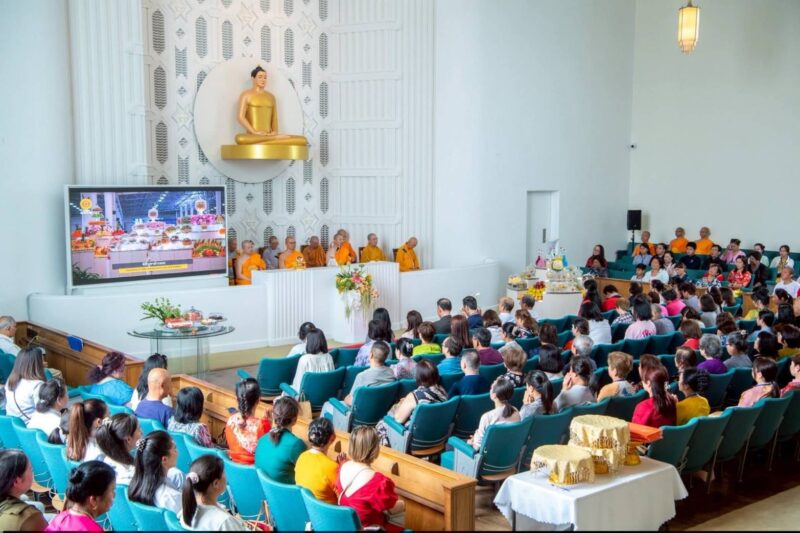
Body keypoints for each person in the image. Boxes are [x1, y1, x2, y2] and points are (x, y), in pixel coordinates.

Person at [337, 426, 404, 531]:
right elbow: (390, 507)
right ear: (375, 450)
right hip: (370, 529)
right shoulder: (378, 482)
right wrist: (402, 505)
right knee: (401, 506)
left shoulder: (342, 467)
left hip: (345, 527)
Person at [376, 360, 447, 445]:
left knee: (382, 423)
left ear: (418, 377)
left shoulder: (415, 396)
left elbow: (398, 419)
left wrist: (401, 405)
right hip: (435, 438)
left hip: (413, 441)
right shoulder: (443, 393)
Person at [181, 455, 248, 531]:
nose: (226, 476)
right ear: (216, 483)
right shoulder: (223, 521)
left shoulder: (186, 511)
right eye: (223, 472)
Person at [45, 461, 116, 532]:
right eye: (112, 490)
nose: (114, 495)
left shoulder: (60, 518)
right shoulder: (92, 529)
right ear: (93, 500)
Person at [254, 396, 306, 484]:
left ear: (274, 416)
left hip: (262, 489)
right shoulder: (296, 444)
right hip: (286, 491)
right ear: (295, 420)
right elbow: (306, 473)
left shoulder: (262, 439)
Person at [128, 431, 181, 514]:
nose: (177, 452)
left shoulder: (136, 485)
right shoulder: (172, 498)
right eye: (175, 448)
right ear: (164, 459)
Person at [295, 417, 342, 504]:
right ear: (333, 438)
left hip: (305, 508)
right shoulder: (332, 467)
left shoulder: (301, 457)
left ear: (309, 435)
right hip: (327, 511)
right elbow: (342, 499)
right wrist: (342, 467)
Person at [0, 449, 49, 531]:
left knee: (39, 505)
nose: (33, 472)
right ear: (17, 481)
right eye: (31, 469)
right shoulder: (29, 517)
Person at [226, 378, 271, 465]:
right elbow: (267, 453)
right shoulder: (262, 425)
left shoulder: (231, 421)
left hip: (232, 470)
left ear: (238, 399)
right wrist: (269, 424)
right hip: (254, 471)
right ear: (258, 400)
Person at [469, 378, 520, 450]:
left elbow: (477, 446)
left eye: (491, 388)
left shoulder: (487, 417)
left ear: (494, 395)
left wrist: (471, 442)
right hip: (509, 451)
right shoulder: (516, 411)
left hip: (487, 455)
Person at [96, 413, 141, 485]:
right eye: (138, 429)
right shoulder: (132, 473)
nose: (141, 432)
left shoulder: (102, 460)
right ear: (128, 439)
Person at [4, 347, 46, 422]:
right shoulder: (37, 385)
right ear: (37, 364)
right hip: (30, 426)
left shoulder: (10, 381)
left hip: (12, 425)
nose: (44, 363)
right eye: (42, 361)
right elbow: (44, 412)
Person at [28, 378, 68, 443]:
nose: (68, 396)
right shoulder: (60, 425)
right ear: (59, 400)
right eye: (66, 393)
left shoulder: (35, 415)